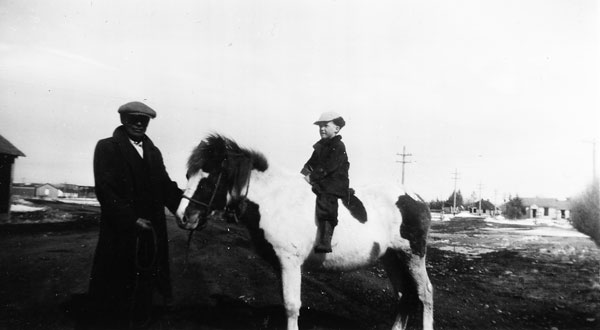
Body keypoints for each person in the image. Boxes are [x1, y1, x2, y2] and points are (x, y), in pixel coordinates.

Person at [88, 101, 182, 327]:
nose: (139, 124)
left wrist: (185, 209)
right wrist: (131, 219)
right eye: (134, 119)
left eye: (144, 120)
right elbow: (105, 189)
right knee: (116, 288)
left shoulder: (153, 151)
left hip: (151, 229)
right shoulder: (107, 147)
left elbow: (165, 187)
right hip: (121, 231)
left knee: (146, 285)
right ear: (123, 120)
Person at [301, 111, 350, 253]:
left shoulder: (339, 146)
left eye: (325, 125)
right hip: (321, 181)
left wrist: (311, 178)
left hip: (334, 182)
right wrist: (302, 175)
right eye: (320, 126)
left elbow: (328, 167)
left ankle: (325, 239)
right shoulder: (320, 146)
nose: (321, 128)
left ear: (336, 128)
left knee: (326, 199)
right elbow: (310, 164)